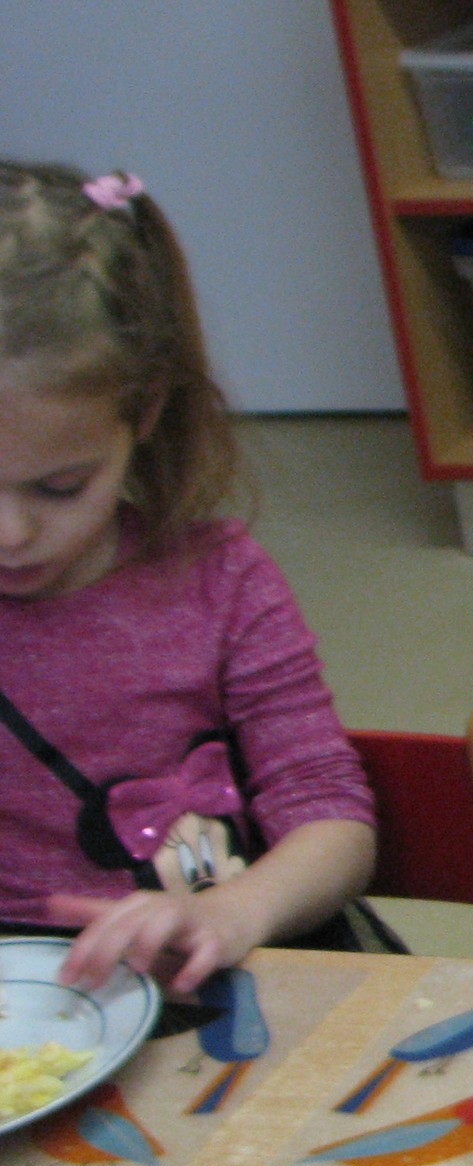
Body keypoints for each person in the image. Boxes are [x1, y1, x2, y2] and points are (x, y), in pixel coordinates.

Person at [0, 161, 375, 993]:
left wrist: (232, 913)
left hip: (224, 972)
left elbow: (332, 821)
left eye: (60, 487)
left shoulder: (219, 581)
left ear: (144, 412)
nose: (12, 535)